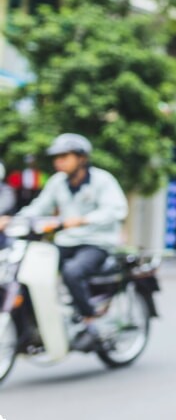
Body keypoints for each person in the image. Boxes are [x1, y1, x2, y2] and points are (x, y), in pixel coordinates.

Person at [0, 133, 128, 351]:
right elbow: (39, 208)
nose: (58, 161)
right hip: (66, 241)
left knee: (73, 271)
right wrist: (13, 219)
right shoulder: (57, 182)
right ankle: (37, 328)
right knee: (28, 272)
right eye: (56, 157)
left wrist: (84, 220)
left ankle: (90, 322)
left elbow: (117, 209)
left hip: (96, 242)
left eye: (64, 156)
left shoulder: (102, 180)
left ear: (81, 158)